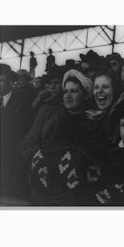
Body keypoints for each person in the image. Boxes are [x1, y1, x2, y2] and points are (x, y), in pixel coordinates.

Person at [28, 69, 93, 205]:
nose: (68, 96)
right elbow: (35, 145)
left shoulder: (91, 121)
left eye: (74, 91)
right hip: (48, 186)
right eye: (66, 91)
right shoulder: (54, 118)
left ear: (85, 95)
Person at [0, 64, 33, 203]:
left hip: (14, 155)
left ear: (10, 81)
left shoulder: (23, 100)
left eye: (1, 80)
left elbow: (26, 128)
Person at [22, 68, 65, 161]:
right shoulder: (44, 106)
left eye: (56, 83)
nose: (52, 87)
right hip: (43, 155)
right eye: (49, 83)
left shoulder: (67, 105)